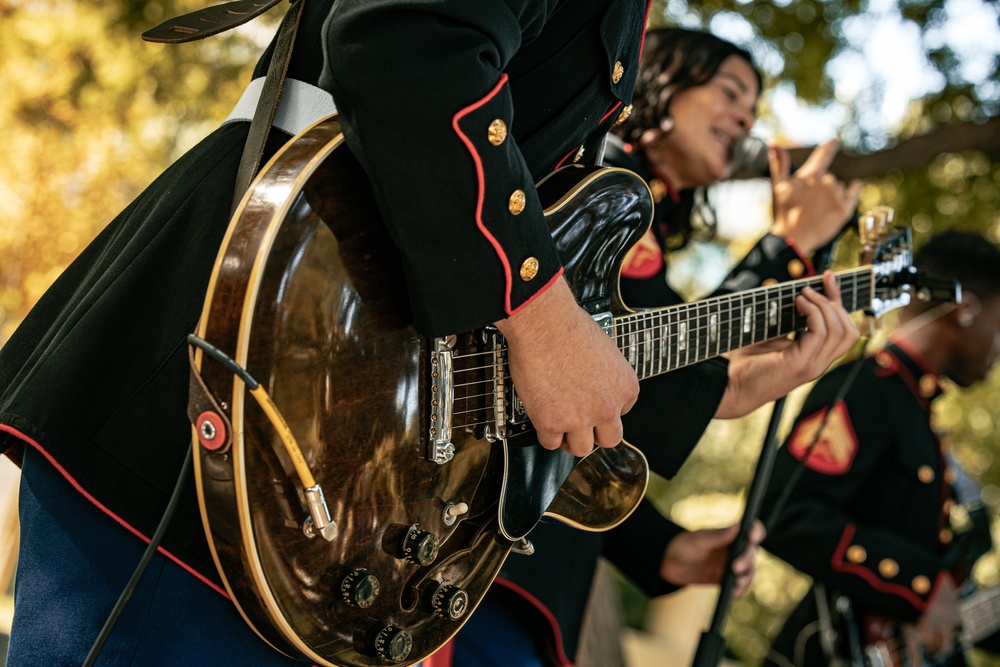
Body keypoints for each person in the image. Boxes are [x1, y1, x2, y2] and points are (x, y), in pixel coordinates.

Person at [0, 4, 856, 666]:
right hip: (256, 354)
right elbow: (405, 36)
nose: (746, 117)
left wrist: (724, 387)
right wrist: (538, 307)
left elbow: (551, 335)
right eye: (730, 93)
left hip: (339, 441)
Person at [450, 27, 862, 667]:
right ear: (663, 81)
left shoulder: (649, 217)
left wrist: (662, 551)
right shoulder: (600, 181)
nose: (743, 119)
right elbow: (629, 348)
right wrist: (786, 247)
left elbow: (567, 427)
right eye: (729, 92)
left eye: (752, 112)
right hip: (473, 567)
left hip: (511, 566)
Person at [759, 230, 1000, 667]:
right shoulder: (869, 389)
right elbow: (783, 511)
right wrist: (922, 585)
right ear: (966, 310)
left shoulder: (918, 409)